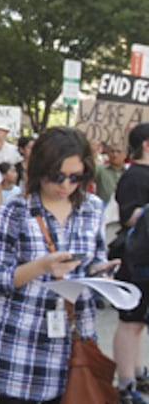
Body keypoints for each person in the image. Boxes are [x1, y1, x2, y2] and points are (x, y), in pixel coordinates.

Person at [0, 126, 120, 403]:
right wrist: (41, 267)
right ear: (40, 168)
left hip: (74, 344)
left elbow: (95, 259)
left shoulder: (91, 208)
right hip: (21, 342)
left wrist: (103, 273)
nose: (65, 185)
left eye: (75, 177)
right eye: (57, 176)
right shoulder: (15, 210)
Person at [112, 123, 149, 404]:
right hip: (136, 260)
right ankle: (125, 383)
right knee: (130, 321)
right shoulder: (134, 176)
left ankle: (138, 372)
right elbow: (128, 216)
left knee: (139, 323)